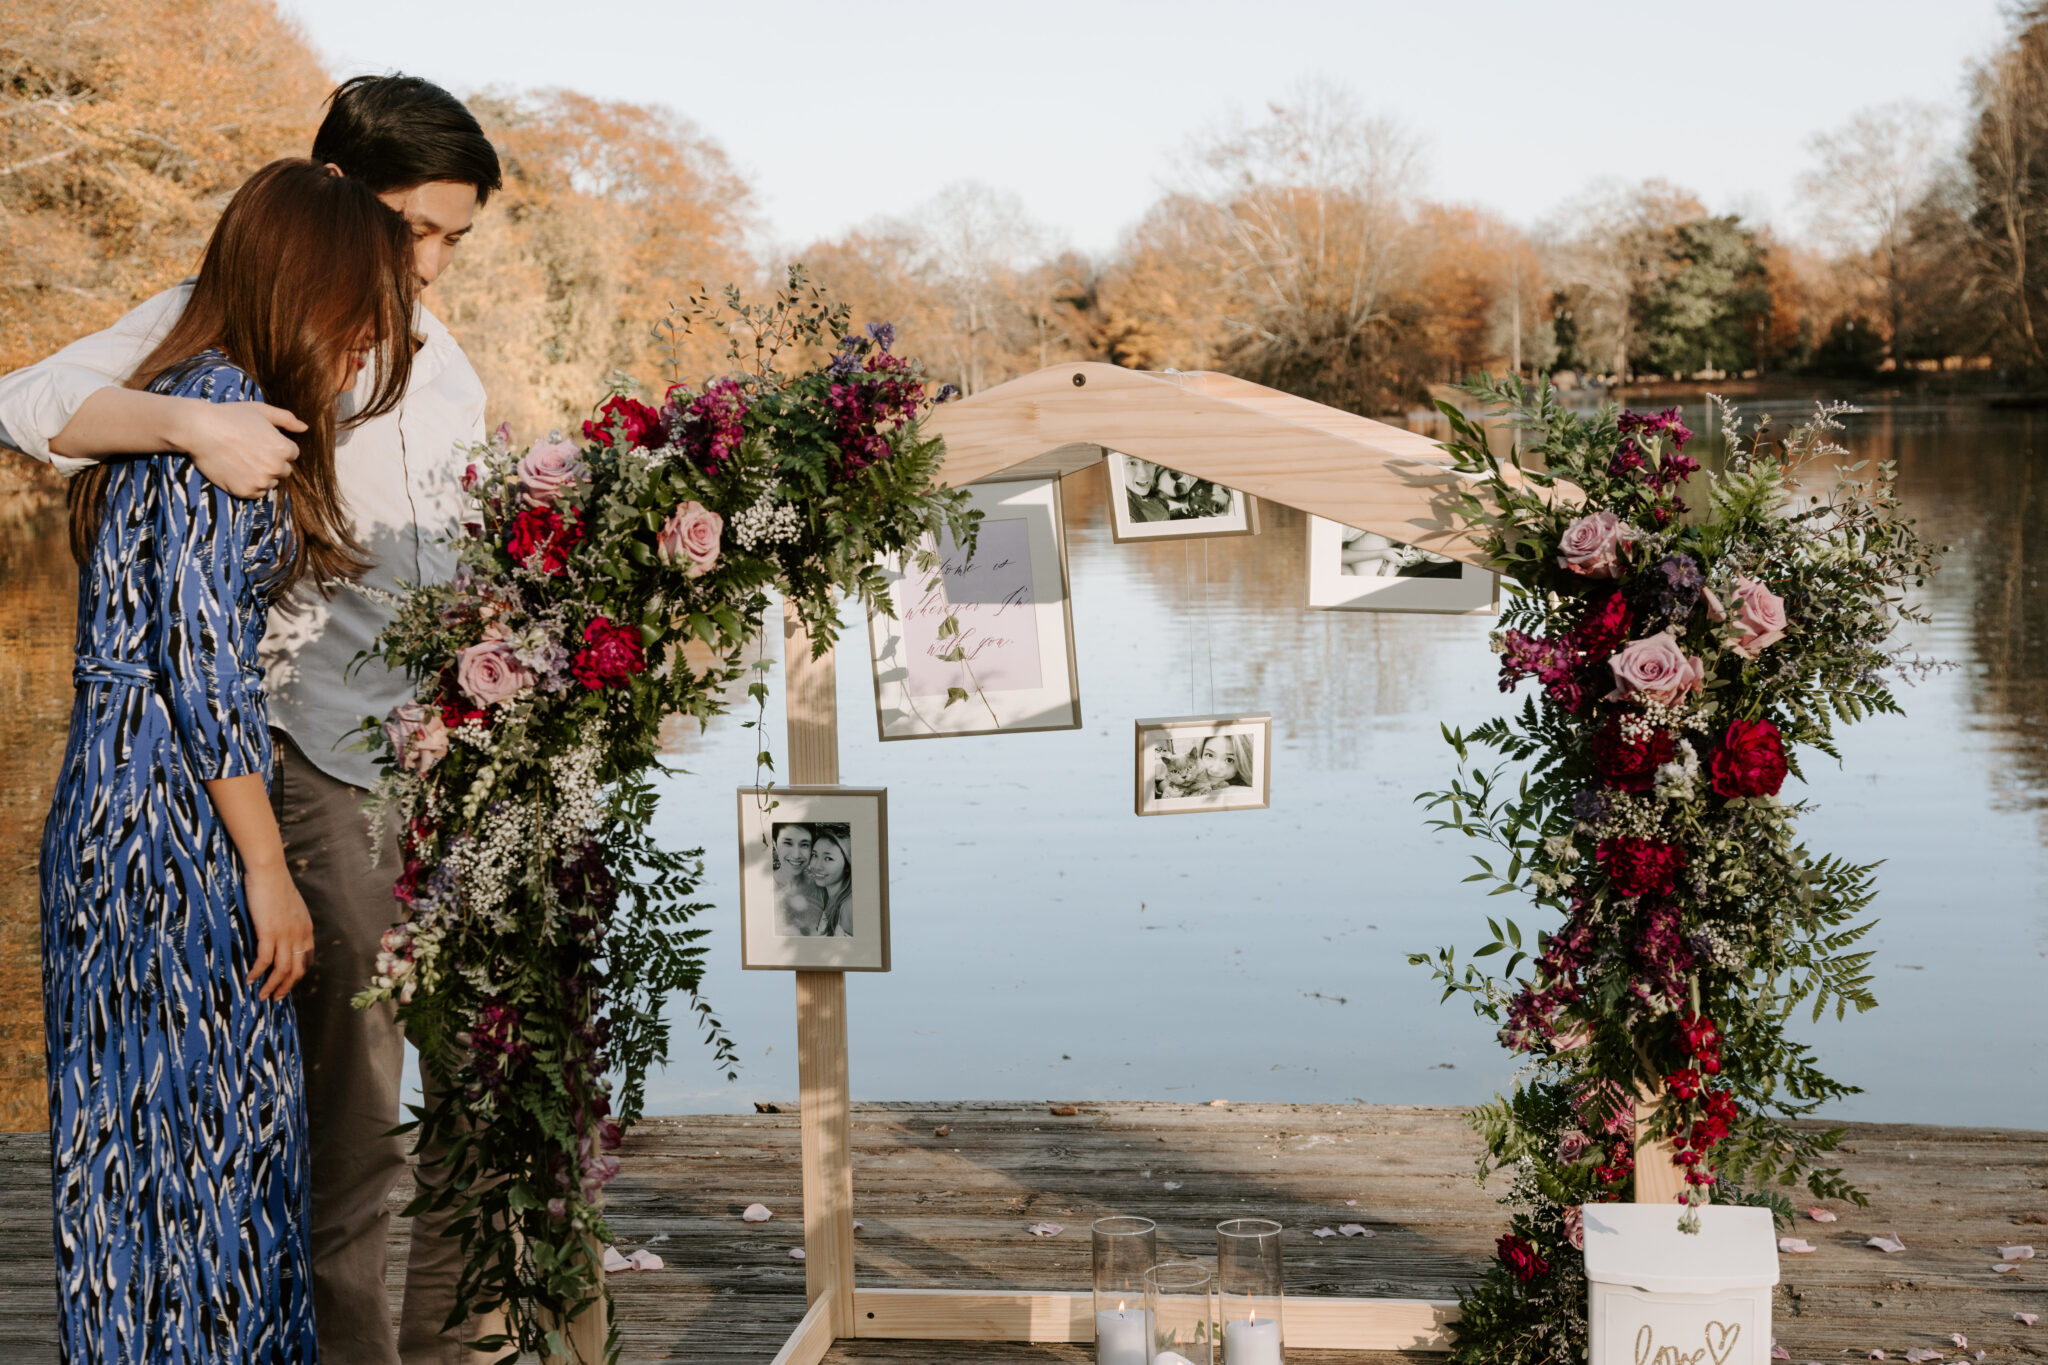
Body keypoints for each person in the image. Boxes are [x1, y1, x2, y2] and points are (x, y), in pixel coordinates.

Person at [0, 75, 503, 1365]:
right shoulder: (229, 341)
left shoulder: (444, 367)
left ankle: (453, 1345)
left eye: (455, 236)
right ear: (338, 200)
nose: (433, 263)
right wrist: (192, 422)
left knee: (482, 1092)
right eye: (416, 229)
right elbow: (29, 404)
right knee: (327, 1112)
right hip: (290, 766)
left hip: (439, 757)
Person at [805, 828, 856, 938]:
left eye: (828, 858)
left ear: (847, 866)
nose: (817, 866)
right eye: (815, 855)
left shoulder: (849, 906)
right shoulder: (825, 897)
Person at [771, 824, 820, 936]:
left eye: (804, 845)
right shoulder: (759, 889)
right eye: (788, 843)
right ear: (775, 844)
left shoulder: (823, 889)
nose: (796, 855)